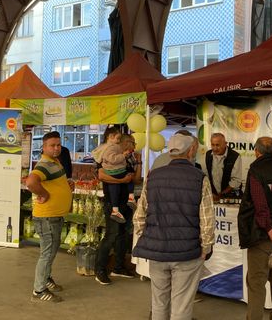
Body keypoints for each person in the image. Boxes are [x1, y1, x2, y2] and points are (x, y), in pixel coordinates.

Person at [133, 134, 215, 320]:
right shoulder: (199, 178)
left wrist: (148, 237)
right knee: (182, 306)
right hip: (187, 252)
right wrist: (206, 247)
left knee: (159, 302)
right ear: (191, 150)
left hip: (158, 251)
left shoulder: (153, 177)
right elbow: (207, 219)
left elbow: (139, 217)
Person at [238, 137, 272, 320]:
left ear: (256, 151)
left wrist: (268, 228)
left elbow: (259, 202)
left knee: (256, 282)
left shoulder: (256, 170)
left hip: (263, 236)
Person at [26, 131, 73, 303]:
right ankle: (39, 290)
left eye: (58, 145)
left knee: (51, 251)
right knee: (47, 253)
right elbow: (31, 182)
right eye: (52, 145)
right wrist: (44, 194)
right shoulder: (44, 163)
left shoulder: (55, 162)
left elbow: (54, 182)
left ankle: (46, 279)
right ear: (44, 147)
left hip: (54, 216)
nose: (56, 148)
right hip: (47, 217)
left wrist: (66, 186)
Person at [94, 164, 134, 285]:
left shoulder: (128, 160)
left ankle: (118, 267)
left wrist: (139, 164)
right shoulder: (108, 157)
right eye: (131, 143)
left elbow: (134, 178)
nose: (132, 145)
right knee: (111, 235)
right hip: (112, 203)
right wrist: (122, 180)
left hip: (125, 202)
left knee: (123, 234)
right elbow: (102, 176)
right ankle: (99, 270)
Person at [98, 127, 129, 223]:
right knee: (113, 231)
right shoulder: (110, 148)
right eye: (118, 139)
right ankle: (115, 210)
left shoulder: (112, 148)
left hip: (121, 196)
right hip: (111, 198)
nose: (119, 141)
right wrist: (122, 180)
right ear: (110, 137)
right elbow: (102, 176)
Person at [204, 132, 243, 200]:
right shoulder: (208, 155)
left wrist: (221, 195)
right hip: (213, 196)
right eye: (213, 145)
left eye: (218, 145)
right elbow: (207, 176)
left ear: (225, 144)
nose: (215, 148)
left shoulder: (235, 156)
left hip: (230, 196)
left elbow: (236, 180)